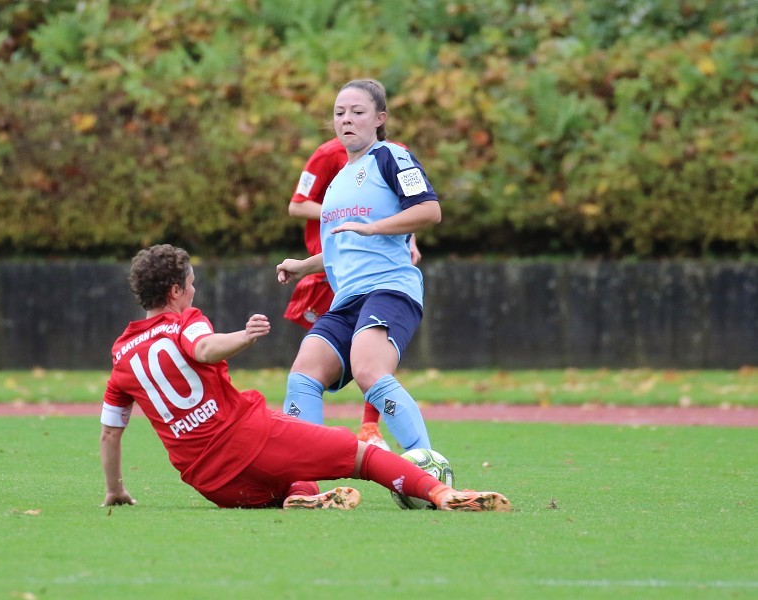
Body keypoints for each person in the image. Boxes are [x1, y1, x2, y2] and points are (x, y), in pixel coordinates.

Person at [99, 243, 510, 512]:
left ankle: (300, 497)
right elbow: (202, 348)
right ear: (174, 292)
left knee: (299, 480)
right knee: (360, 455)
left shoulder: (121, 353)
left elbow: (110, 433)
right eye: (191, 285)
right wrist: (243, 337)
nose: (193, 292)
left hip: (212, 484)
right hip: (250, 438)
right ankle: (442, 493)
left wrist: (115, 489)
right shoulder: (185, 322)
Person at [276, 78, 439, 453]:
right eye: (339, 113)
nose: (346, 119)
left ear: (379, 118)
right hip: (346, 299)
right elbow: (343, 247)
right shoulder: (336, 182)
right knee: (304, 372)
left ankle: (428, 468)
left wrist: (376, 227)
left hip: (389, 290)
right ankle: (305, 482)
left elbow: (431, 210)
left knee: (368, 370)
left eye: (357, 112)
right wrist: (303, 266)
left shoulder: (391, 156)